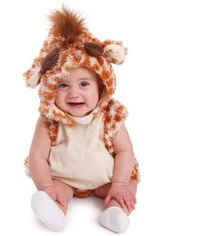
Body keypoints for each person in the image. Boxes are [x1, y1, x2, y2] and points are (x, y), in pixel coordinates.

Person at [23, 6, 140, 233]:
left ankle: (115, 211)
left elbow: (125, 151)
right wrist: (46, 186)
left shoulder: (109, 115)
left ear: (101, 85)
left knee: (130, 184)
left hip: (105, 179)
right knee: (56, 189)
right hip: (63, 179)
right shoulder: (49, 120)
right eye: (63, 85)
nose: (74, 93)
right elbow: (36, 155)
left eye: (84, 84)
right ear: (49, 88)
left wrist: (119, 184)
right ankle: (56, 209)